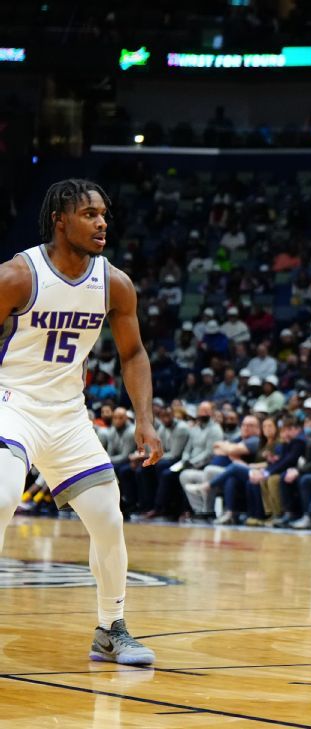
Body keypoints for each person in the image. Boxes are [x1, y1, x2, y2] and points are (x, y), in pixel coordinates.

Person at [0, 179, 163, 664]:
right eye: (89, 214)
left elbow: (133, 353)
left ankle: (111, 628)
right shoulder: (16, 276)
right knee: (3, 496)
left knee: (109, 519)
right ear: (60, 219)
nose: (101, 223)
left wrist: (145, 420)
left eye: (104, 215)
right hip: (13, 402)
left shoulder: (114, 282)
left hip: (69, 415)